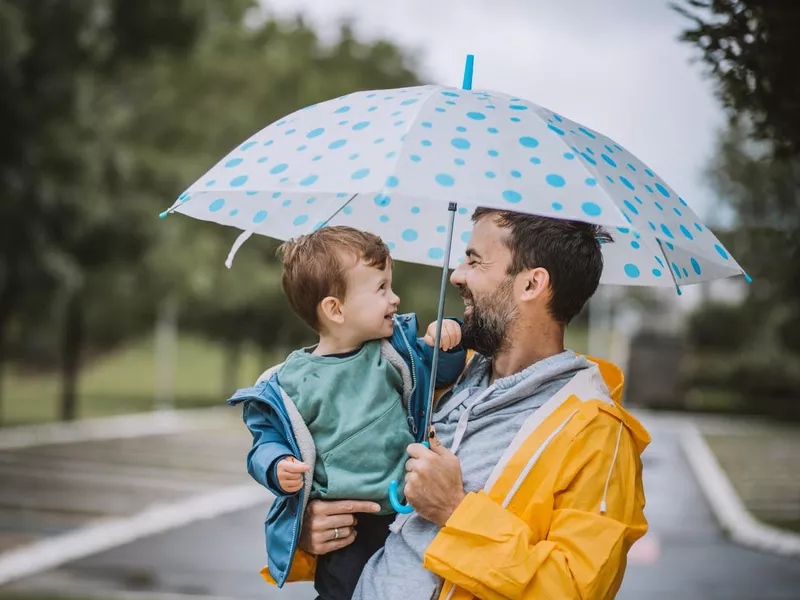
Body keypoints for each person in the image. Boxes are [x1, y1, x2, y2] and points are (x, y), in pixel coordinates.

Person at [278, 208, 652, 600]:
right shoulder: (438, 377)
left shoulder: (598, 433)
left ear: (531, 284)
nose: (457, 275)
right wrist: (308, 527)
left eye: (474, 260)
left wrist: (455, 511)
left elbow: (574, 589)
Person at [227, 225, 467, 600]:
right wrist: (276, 465)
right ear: (335, 309)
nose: (396, 298)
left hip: (406, 509)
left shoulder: (394, 351)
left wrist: (446, 344)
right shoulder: (292, 382)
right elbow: (266, 437)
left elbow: (440, 373)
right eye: (381, 288)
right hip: (346, 524)